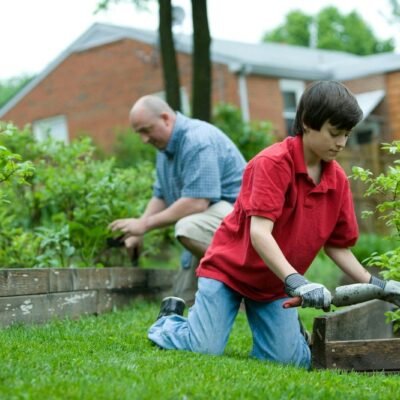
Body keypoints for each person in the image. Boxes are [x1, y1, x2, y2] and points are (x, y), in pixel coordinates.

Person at [147, 81, 400, 369]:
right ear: (307, 123)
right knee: (203, 348)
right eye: (334, 133)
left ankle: (290, 335)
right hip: (229, 272)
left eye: (346, 134)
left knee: (288, 361)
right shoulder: (272, 163)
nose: (341, 143)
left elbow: (336, 246)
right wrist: (298, 282)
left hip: (274, 285)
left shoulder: (337, 180)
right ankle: (169, 321)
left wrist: (381, 286)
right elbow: (259, 233)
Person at [108, 95, 246, 304]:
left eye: (146, 130)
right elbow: (161, 195)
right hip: (211, 223)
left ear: (165, 118)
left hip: (242, 222)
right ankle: (222, 293)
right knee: (182, 298)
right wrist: (137, 230)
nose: (144, 139)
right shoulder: (165, 149)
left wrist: (145, 225)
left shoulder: (197, 140)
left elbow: (197, 202)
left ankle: (246, 285)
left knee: (188, 227)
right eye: (139, 133)